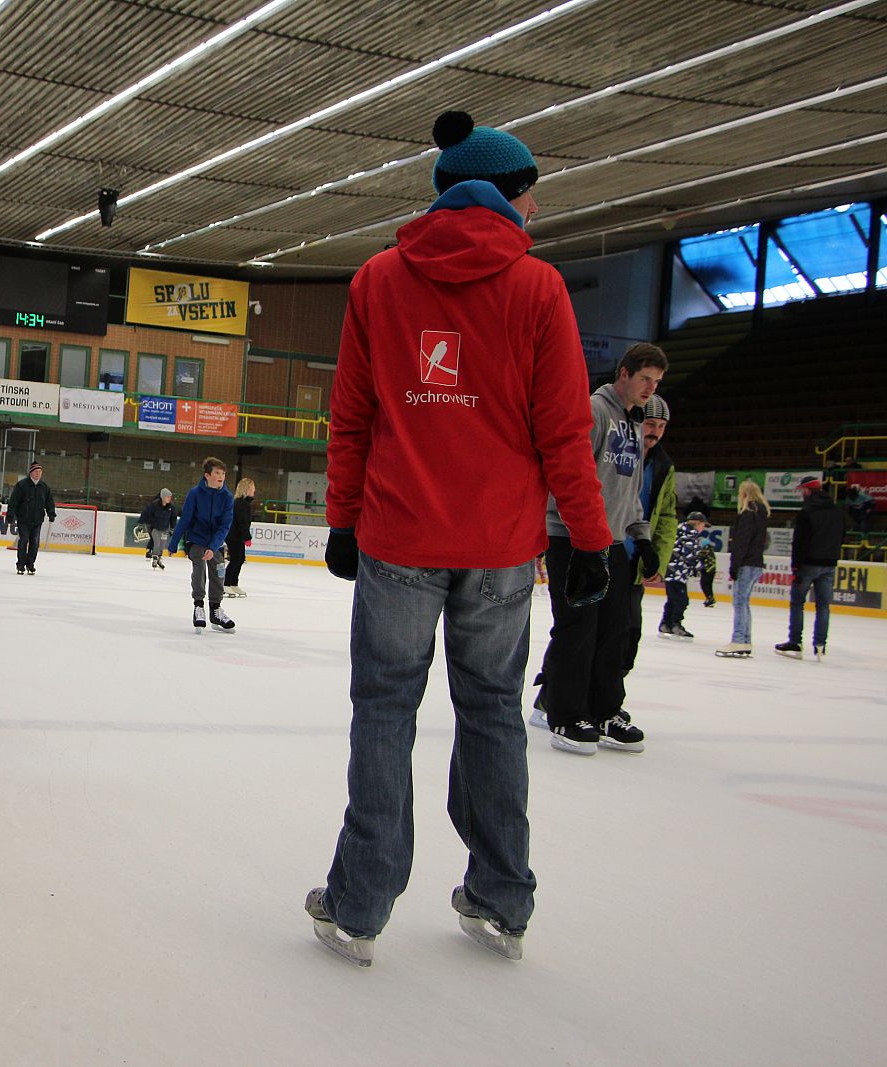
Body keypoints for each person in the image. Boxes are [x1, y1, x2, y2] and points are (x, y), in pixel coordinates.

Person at [307, 110, 611, 968]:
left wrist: (344, 518)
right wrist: (589, 539)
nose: (536, 210)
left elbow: (352, 417)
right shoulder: (539, 288)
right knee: (492, 713)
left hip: (399, 537)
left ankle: (359, 904)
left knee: (384, 710)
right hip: (500, 548)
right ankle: (501, 894)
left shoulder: (378, 279)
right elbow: (563, 432)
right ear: (504, 193)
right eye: (531, 194)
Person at [536, 341, 667, 757]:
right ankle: (565, 712)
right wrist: (578, 534)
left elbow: (630, 490)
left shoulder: (634, 423)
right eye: (644, 378)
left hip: (613, 540)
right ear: (624, 373)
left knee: (615, 630)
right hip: (572, 539)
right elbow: (568, 475)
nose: (650, 388)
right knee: (579, 628)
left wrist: (641, 536)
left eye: (656, 382)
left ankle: (606, 709)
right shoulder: (594, 411)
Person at [620, 394, 676, 662]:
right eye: (651, 423)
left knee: (630, 634)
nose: (655, 431)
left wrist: (659, 560)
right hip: (606, 554)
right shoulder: (615, 454)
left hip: (636, 561)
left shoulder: (664, 466)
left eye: (662, 426)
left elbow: (666, 517)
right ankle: (554, 684)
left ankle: (614, 686)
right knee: (587, 632)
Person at [776, 477, 845, 659]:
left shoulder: (806, 512)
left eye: (802, 490)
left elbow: (799, 542)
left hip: (808, 564)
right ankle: (820, 644)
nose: (801, 494)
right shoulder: (837, 512)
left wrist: (796, 567)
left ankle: (795, 642)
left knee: (797, 603)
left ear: (807, 490)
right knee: (823, 606)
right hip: (829, 563)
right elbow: (842, 536)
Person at [171, 458, 236, 632]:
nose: (221, 476)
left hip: (216, 542)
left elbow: (225, 526)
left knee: (219, 570)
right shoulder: (195, 493)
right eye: (217, 473)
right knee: (199, 565)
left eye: (223, 473)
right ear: (207, 475)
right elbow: (185, 520)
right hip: (196, 539)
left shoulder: (227, 497)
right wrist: (174, 543)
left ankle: (215, 610)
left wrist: (213, 547)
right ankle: (198, 606)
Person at [716, 479, 769, 658]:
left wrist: (734, 565)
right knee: (744, 602)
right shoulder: (761, 514)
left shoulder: (747, 514)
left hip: (746, 563)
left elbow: (741, 542)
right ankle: (745, 640)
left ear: (744, 494)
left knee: (739, 602)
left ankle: (739, 639)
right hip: (756, 563)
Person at [658, 512, 709, 639]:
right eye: (703, 525)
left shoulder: (678, 530)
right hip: (677, 572)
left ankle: (666, 624)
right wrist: (700, 566)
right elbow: (690, 554)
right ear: (697, 523)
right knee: (681, 600)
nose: (703, 528)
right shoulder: (689, 533)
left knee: (673, 599)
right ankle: (675, 624)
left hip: (671, 571)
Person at [8, 461, 56, 575]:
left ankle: (30, 564)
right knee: (23, 540)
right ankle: (21, 564)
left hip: (37, 520)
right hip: (23, 519)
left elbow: (49, 502)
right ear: (31, 473)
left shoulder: (44, 487)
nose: (38, 474)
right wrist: (10, 514)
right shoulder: (21, 485)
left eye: (40, 472)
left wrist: (51, 513)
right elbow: (14, 500)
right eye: (36, 471)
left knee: (34, 542)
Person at [223, 477, 256, 597]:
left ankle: (233, 583)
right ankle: (226, 584)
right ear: (246, 489)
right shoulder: (241, 504)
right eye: (252, 488)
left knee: (240, 559)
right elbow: (242, 521)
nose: (254, 490)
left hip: (237, 536)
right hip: (234, 536)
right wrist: (247, 537)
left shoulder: (244, 503)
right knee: (236, 559)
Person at [138, 488, 177, 570]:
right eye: (168, 497)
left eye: (170, 497)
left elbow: (173, 518)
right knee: (157, 543)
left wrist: (172, 528)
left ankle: (159, 558)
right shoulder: (154, 505)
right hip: (154, 527)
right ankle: (154, 558)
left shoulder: (171, 507)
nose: (169, 498)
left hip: (165, 528)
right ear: (163, 497)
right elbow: (145, 513)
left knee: (162, 545)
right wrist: (140, 523)